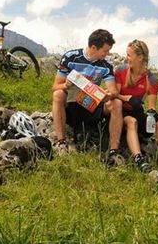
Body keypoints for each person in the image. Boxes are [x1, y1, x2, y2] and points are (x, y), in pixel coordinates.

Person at [52, 29, 125, 165]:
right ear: (93, 48)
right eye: (105, 50)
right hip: (71, 104)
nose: (107, 54)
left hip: (92, 105)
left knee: (117, 103)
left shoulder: (105, 65)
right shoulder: (70, 57)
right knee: (58, 94)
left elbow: (114, 91)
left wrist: (108, 95)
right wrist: (65, 86)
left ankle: (114, 152)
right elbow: (55, 86)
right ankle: (62, 143)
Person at [114, 39, 158, 171]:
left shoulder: (151, 79)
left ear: (140, 57)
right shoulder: (120, 71)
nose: (127, 58)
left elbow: (151, 106)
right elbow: (114, 95)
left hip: (137, 111)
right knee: (131, 122)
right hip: (120, 112)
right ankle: (138, 160)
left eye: (129, 55)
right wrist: (128, 98)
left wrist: (152, 113)